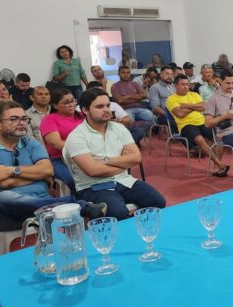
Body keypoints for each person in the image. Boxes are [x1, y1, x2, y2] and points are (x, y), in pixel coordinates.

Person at [0, 101, 106, 231]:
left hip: (42, 205)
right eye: (14, 119)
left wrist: (11, 170)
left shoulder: (31, 144)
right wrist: (37, 176)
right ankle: (77, 206)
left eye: (24, 119)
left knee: (51, 213)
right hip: (1, 213)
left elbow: (47, 170)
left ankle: (67, 209)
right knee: (5, 196)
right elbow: (1, 182)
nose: (21, 123)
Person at [65, 88, 166, 219]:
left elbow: (136, 158)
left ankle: (139, 231)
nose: (107, 110)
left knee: (158, 202)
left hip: (124, 180)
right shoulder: (76, 136)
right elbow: (93, 171)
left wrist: (104, 161)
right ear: (85, 110)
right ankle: (125, 234)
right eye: (100, 107)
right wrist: (123, 162)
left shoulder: (119, 128)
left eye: (108, 105)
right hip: (93, 186)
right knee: (117, 212)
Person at [166, 75, 229, 176]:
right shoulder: (171, 99)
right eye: (182, 84)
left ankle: (218, 168)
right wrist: (195, 107)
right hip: (186, 125)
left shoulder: (194, 94)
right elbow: (180, 114)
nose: (186, 87)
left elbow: (204, 107)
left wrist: (187, 105)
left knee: (218, 137)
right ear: (175, 85)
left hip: (202, 121)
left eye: (187, 84)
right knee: (200, 140)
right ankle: (219, 164)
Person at [40, 88, 83, 192]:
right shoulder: (49, 119)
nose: (71, 104)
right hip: (59, 159)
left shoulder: (82, 116)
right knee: (73, 181)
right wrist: (83, 149)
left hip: (86, 154)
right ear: (55, 105)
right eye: (66, 102)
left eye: (73, 100)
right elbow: (57, 144)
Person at [111, 66, 154, 137]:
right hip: (126, 110)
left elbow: (144, 95)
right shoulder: (115, 86)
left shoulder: (134, 84)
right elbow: (120, 100)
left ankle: (138, 132)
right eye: (123, 73)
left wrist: (128, 97)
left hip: (139, 108)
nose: (126, 74)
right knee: (129, 122)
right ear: (118, 74)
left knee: (152, 117)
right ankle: (135, 136)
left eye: (128, 73)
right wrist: (137, 98)